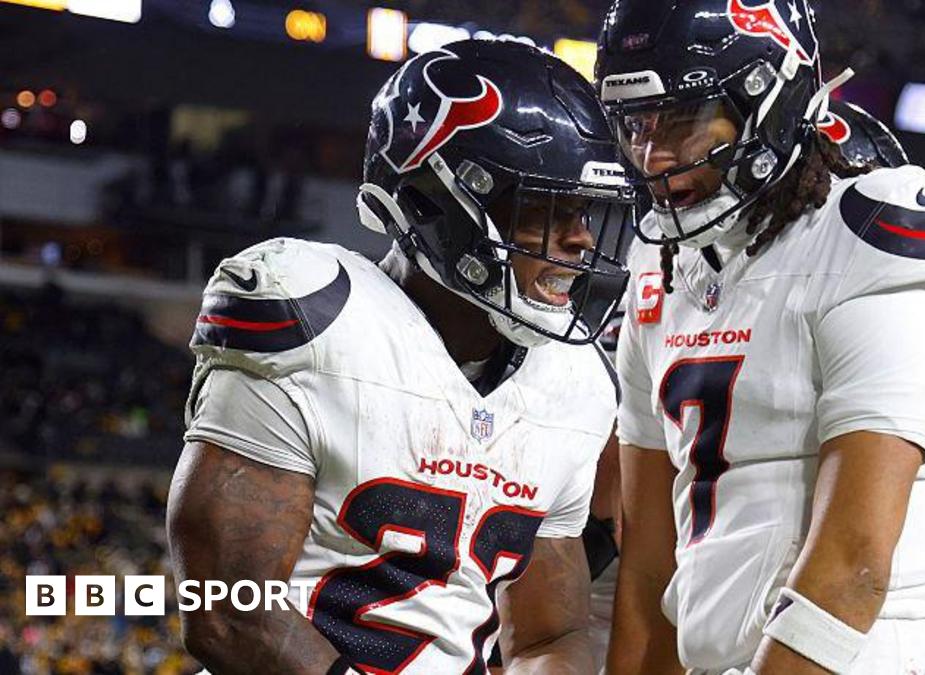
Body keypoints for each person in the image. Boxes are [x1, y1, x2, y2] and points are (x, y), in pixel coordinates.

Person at [166, 40, 635, 675]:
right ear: (433, 202)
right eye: (545, 210)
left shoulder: (575, 383)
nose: (579, 240)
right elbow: (227, 611)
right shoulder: (314, 315)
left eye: (584, 211)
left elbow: (549, 636)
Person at [596, 1, 925, 673]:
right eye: (636, 125)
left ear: (767, 99)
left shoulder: (872, 227)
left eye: (685, 121)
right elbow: (648, 572)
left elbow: (854, 564)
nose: (654, 155)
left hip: (865, 653)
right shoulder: (658, 267)